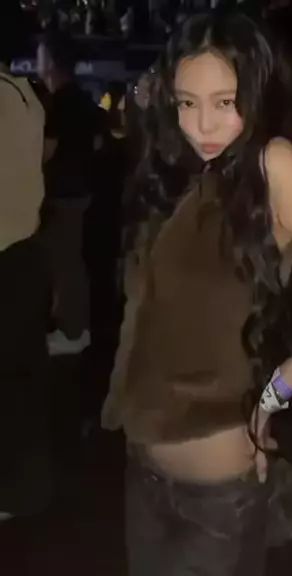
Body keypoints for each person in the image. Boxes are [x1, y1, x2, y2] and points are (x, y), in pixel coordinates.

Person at [102, 11, 292, 576]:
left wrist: (273, 395)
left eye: (225, 102)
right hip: (142, 473)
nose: (203, 124)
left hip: (218, 498)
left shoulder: (272, 165)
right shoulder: (177, 168)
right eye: (187, 103)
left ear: (255, 94)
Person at [0, 0, 51, 521]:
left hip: (4, 253)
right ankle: (22, 491)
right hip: (24, 249)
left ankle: (12, 492)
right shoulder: (25, 93)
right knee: (20, 380)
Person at [37, 31, 101, 356]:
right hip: (81, 190)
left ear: (50, 62)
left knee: (65, 263)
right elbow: (98, 141)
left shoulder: (58, 103)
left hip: (63, 193)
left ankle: (73, 332)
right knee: (68, 260)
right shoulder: (82, 98)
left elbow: (45, 153)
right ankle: (71, 325)